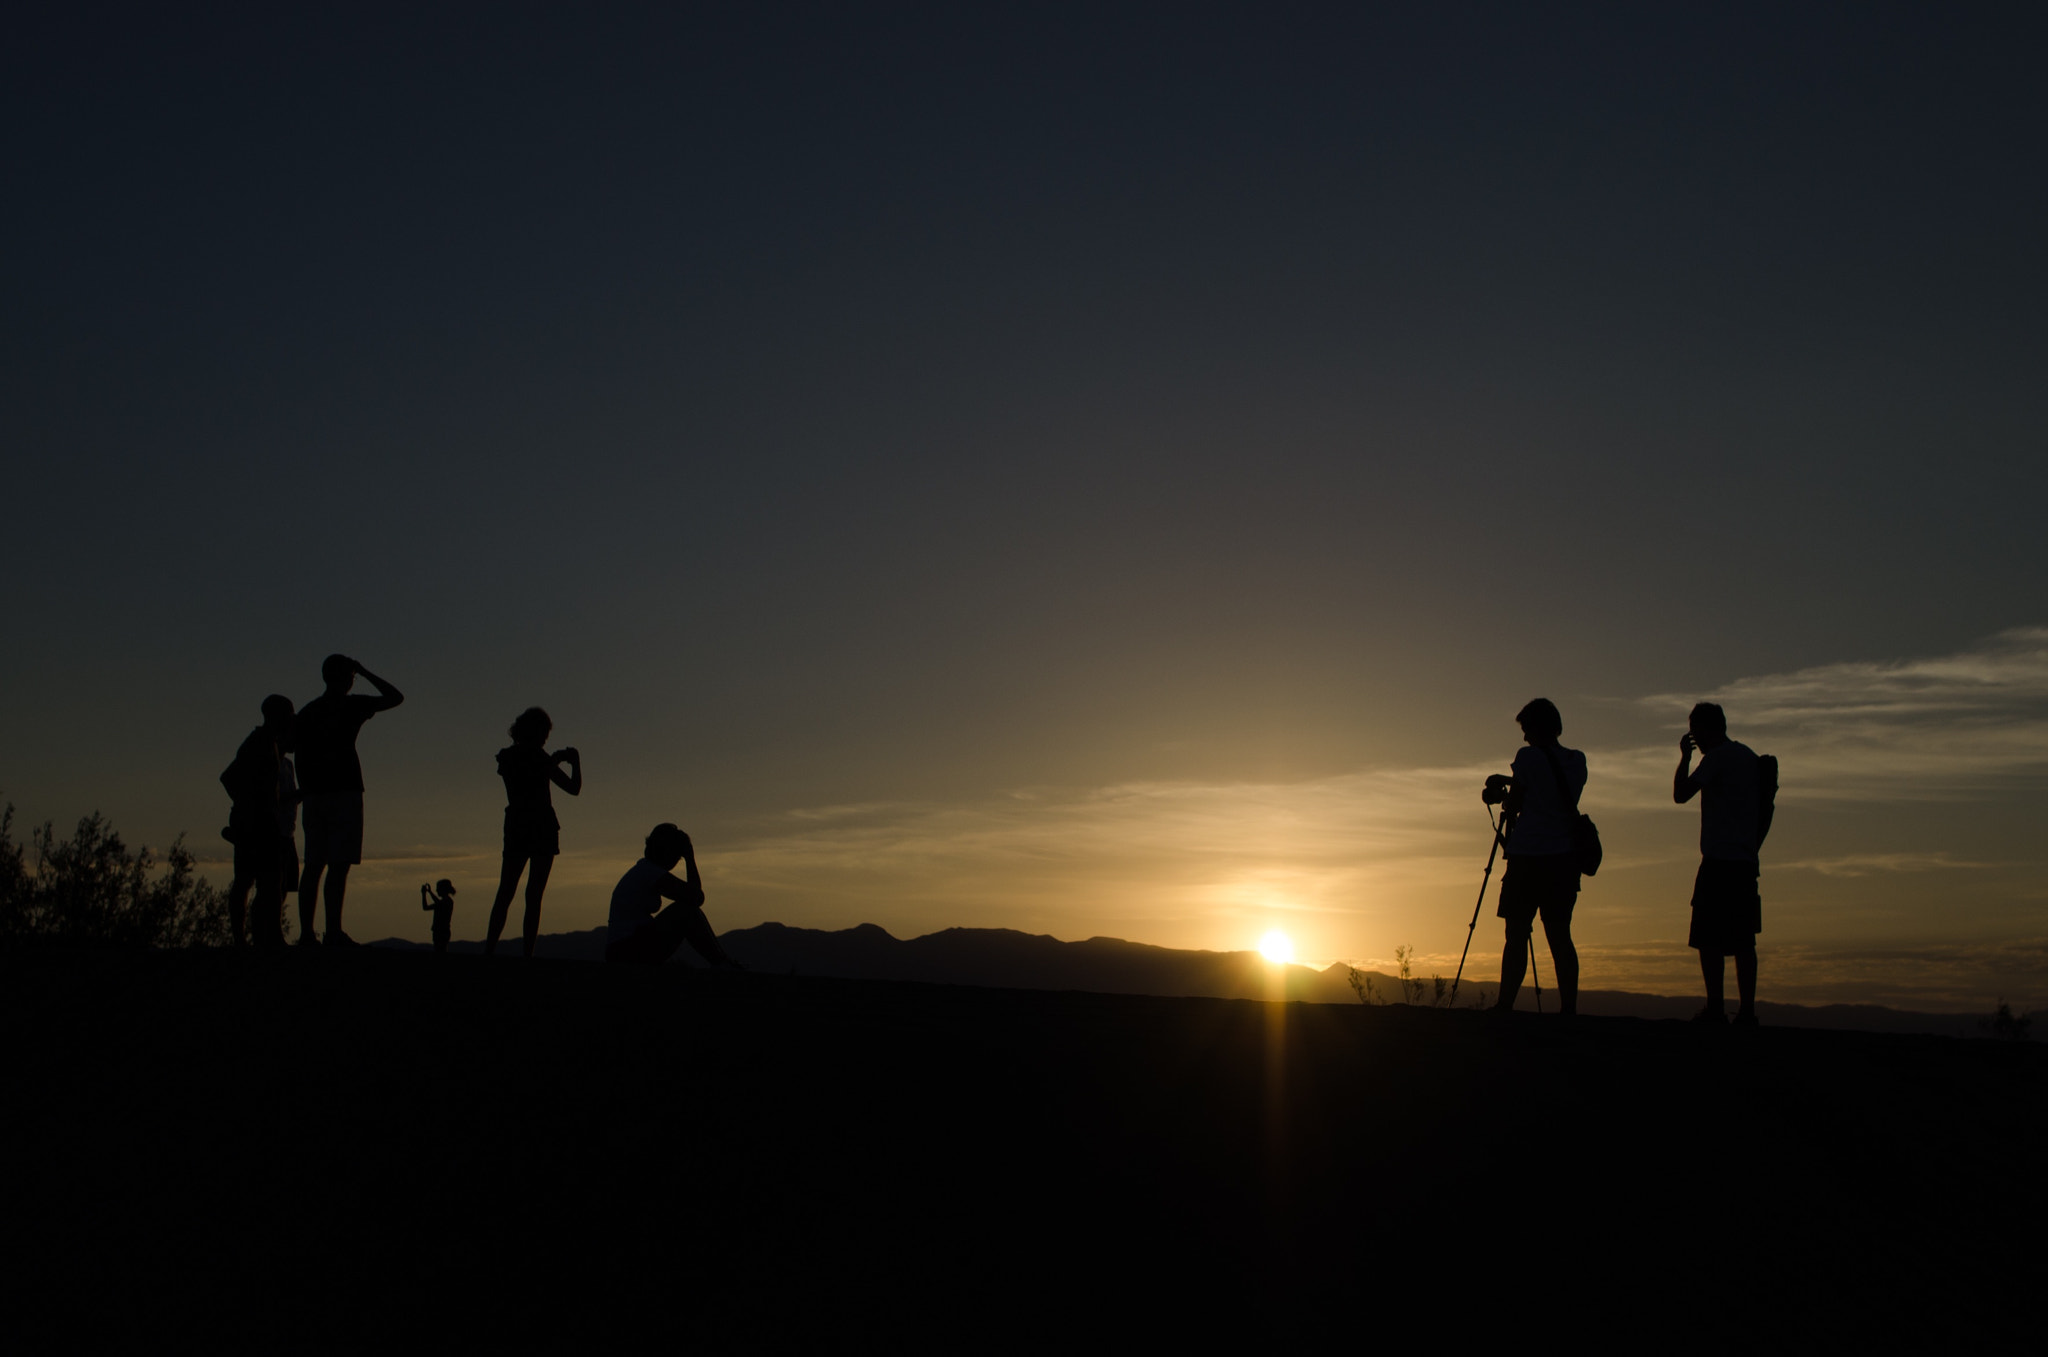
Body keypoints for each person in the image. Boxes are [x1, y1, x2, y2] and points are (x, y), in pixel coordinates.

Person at [295, 654, 404, 947]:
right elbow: (395, 697)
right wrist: (367, 671)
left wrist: (304, 788)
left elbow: (298, 753)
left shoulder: (310, 711)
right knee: (337, 864)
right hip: (343, 790)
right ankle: (331, 931)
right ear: (348, 677)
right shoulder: (351, 705)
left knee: (315, 864)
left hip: (316, 794)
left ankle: (309, 933)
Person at [1487, 698, 1585, 1015]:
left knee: (1516, 934)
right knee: (1560, 936)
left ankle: (1505, 1005)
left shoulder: (1526, 758)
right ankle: (1568, 1009)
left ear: (1536, 728)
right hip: (1564, 859)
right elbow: (1552, 794)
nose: (1525, 737)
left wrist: (1505, 796)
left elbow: (1515, 804)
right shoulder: (1576, 760)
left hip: (1527, 856)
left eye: (1527, 729)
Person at [1674, 701, 1763, 1026]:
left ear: (1703, 729)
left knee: (1708, 939)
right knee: (1743, 940)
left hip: (1717, 860)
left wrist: (1685, 758)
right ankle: (1747, 1011)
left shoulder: (1716, 759)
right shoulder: (1749, 758)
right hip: (1744, 859)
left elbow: (1681, 794)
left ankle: (1715, 1008)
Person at [484, 707, 582, 959]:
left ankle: (492, 950)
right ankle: (522, 953)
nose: (546, 738)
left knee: (509, 891)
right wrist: (568, 762)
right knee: (528, 894)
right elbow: (571, 787)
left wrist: (558, 761)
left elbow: (569, 788)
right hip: (537, 826)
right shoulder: (533, 759)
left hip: (521, 824)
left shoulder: (511, 757)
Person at [604, 823, 743, 967]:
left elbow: (694, 897)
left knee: (687, 910)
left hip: (626, 947)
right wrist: (690, 859)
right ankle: (722, 963)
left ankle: (722, 962)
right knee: (686, 912)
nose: (677, 861)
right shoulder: (649, 872)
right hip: (626, 950)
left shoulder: (644, 870)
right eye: (678, 856)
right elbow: (695, 897)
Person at [221, 695, 295, 949]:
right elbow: (228, 778)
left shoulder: (267, 742)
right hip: (257, 821)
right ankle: (256, 937)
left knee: (267, 881)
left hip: (258, 819)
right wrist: (250, 808)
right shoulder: (259, 742)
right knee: (257, 880)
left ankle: (264, 936)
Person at [420, 879, 456, 955]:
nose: (436, 890)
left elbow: (439, 904)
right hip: (439, 931)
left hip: (442, 931)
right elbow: (425, 907)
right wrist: (424, 894)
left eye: (438, 888)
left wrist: (429, 892)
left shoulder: (448, 902)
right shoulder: (443, 902)